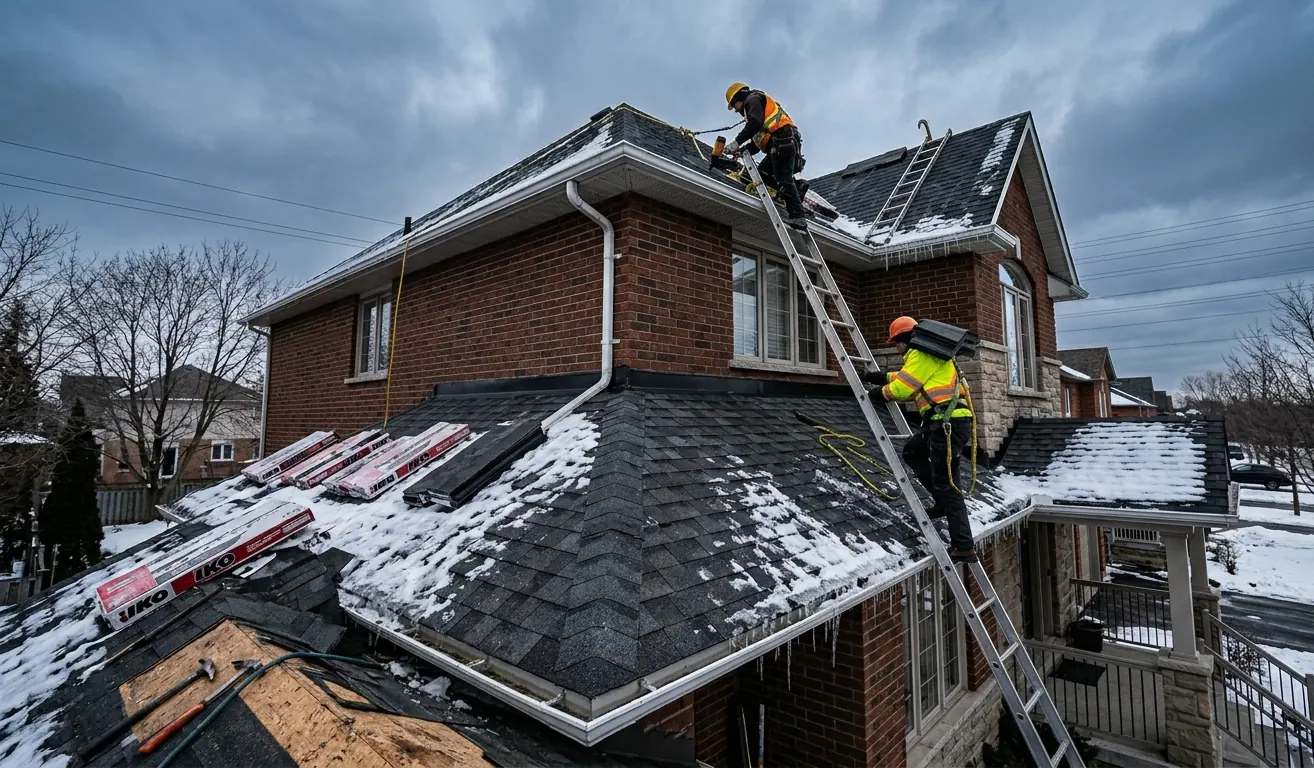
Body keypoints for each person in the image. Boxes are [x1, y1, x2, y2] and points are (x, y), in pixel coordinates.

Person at [876, 316, 977, 562]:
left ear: (904, 339)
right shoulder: (927, 356)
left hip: (946, 424)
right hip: (941, 423)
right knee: (912, 451)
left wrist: (878, 392)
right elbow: (908, 376)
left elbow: (903, 389)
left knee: (949, 485)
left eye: (896, 344)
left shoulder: (920, 355)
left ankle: (964, 547)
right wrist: (880, 377)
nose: (896, 349)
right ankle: (941, 502)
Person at [723, 82, 807, 229]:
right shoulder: (759, 110)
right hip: (780, 143)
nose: (736, 111)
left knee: (784, 178)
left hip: (783, 141)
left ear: (739, 98)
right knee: (760, 174)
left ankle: (798, 216)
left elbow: (754, 124)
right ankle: (797, 188)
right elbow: (758, 142)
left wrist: (736, 142)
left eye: (734, 105)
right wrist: (741, 150)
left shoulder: (753, 100)